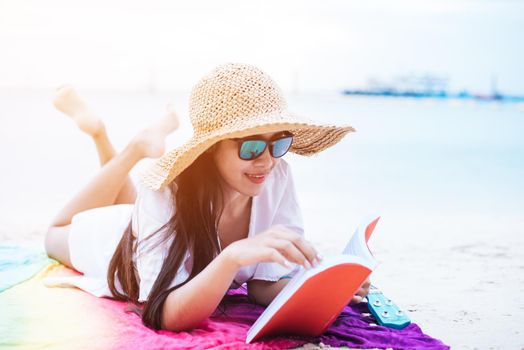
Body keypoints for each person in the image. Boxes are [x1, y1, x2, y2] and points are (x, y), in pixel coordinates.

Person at [43, 63, 369, 332]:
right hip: (112, 242)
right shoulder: (167, 192)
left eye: (278, 143)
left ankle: (132, 141)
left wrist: (329, 289)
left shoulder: (276, 175)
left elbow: (262, 287)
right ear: (212, 147)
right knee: (53, 235)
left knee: (133, 205)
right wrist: (231, 257)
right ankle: (126, 145)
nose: (267, 160)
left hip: (147, 226)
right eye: (251, 146)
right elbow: (165, 313)